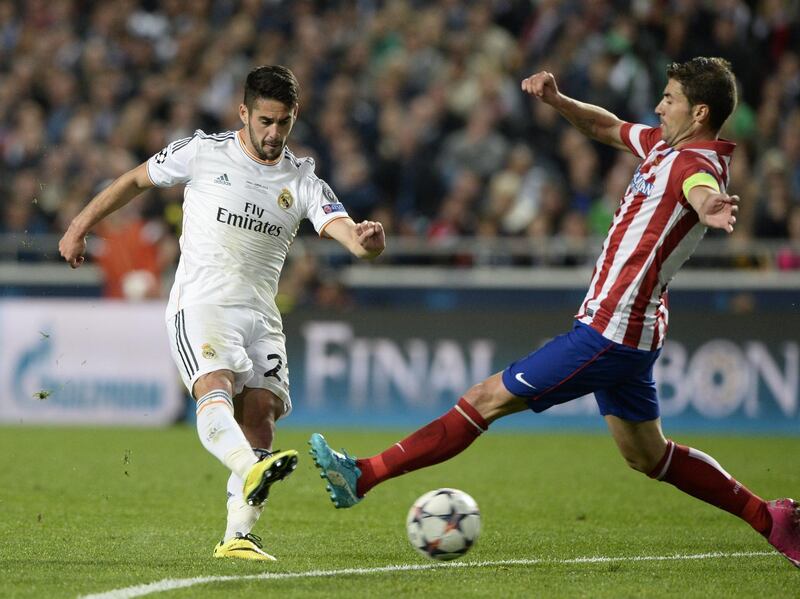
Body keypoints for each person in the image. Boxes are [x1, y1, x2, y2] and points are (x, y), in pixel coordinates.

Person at [308, 57, 800, 568]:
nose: (659, 105)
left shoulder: (693, 166)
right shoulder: (662, 144)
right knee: (647, 455)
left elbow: (699, 188)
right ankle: (771, 517)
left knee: (485, 398)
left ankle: (362, 475)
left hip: (610, 333)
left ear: (699, 112)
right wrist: (559, 102)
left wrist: (708, 204)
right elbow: (606, 125)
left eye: (669, 98)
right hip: (632, 329)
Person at [59, 65, 386, 561]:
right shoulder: (203, 151)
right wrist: (80, 225)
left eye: (284, 123)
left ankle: (237, 536)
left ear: (295, 118)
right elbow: (133, 181)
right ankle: (248, 466)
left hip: (260, 314)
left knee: (261, 416)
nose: (274, 133)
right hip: (202, 303)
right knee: (213, 385)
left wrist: (367, 245)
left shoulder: (301, 178)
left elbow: (347, 233)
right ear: (244, 113)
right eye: (265, 121)